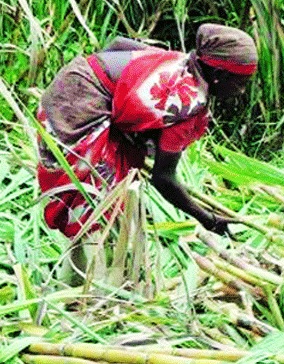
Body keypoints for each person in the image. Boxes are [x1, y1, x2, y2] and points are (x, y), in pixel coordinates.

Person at [37, 23, 257, 246]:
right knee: (99, 205)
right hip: (78, 108)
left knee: (107, 190)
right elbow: (163, 178)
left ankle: (81, 268)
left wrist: (123, 95)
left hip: (73, 75)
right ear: (218, 75)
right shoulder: (186, 105)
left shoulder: (176, 60)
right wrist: (208, 219)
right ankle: (92, 267)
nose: (240, 92)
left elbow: (117, 44)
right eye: (240, 84)